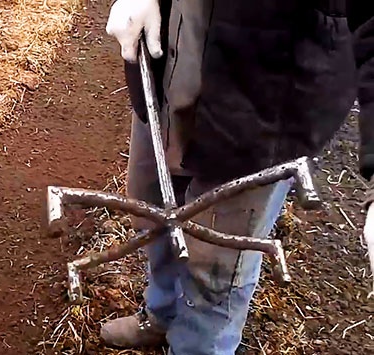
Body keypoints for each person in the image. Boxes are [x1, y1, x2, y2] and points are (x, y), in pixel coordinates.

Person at [100, 1, 374, 354]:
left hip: (263, 113)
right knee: (151, 214)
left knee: (215, 270)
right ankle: (162, 314)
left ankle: (195, 346)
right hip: (165, 76)